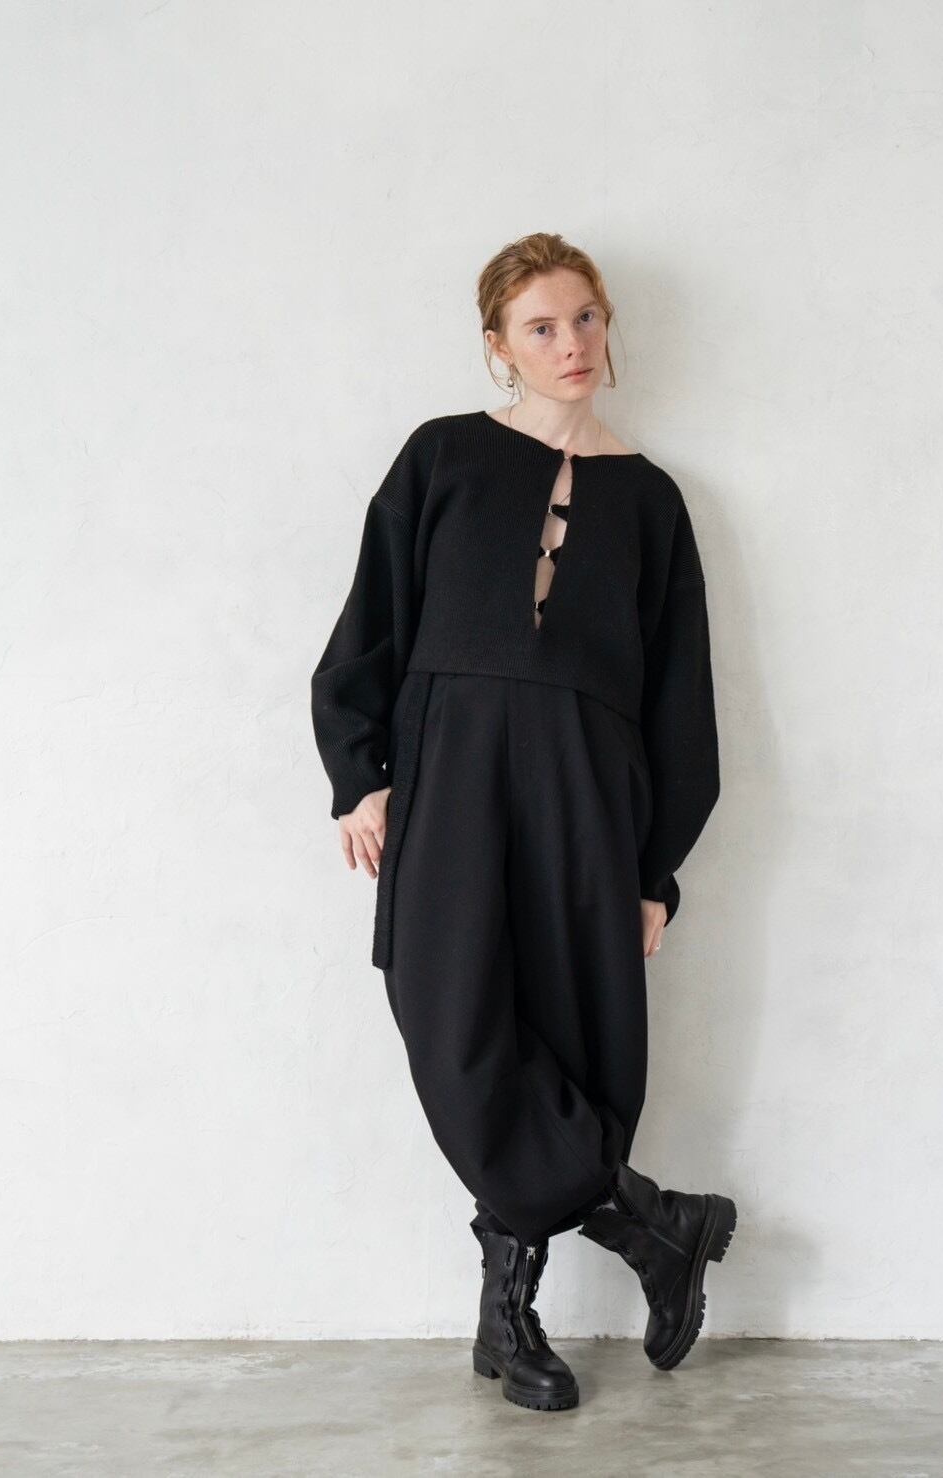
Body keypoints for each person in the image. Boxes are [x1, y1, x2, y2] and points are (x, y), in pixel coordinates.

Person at [311, 232, 736, 1413]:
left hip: (590, 797)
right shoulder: (442, 456)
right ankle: (653, 1223)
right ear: (497, 344)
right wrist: (359, 774)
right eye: (542, 326)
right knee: (453, 1022)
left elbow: (681, 703)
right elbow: (370, 620)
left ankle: (508, 1321)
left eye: (585, 318)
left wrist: (653, 870)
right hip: (450, 775)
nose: (572, 344)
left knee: (567, 1036)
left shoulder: (652, 499)